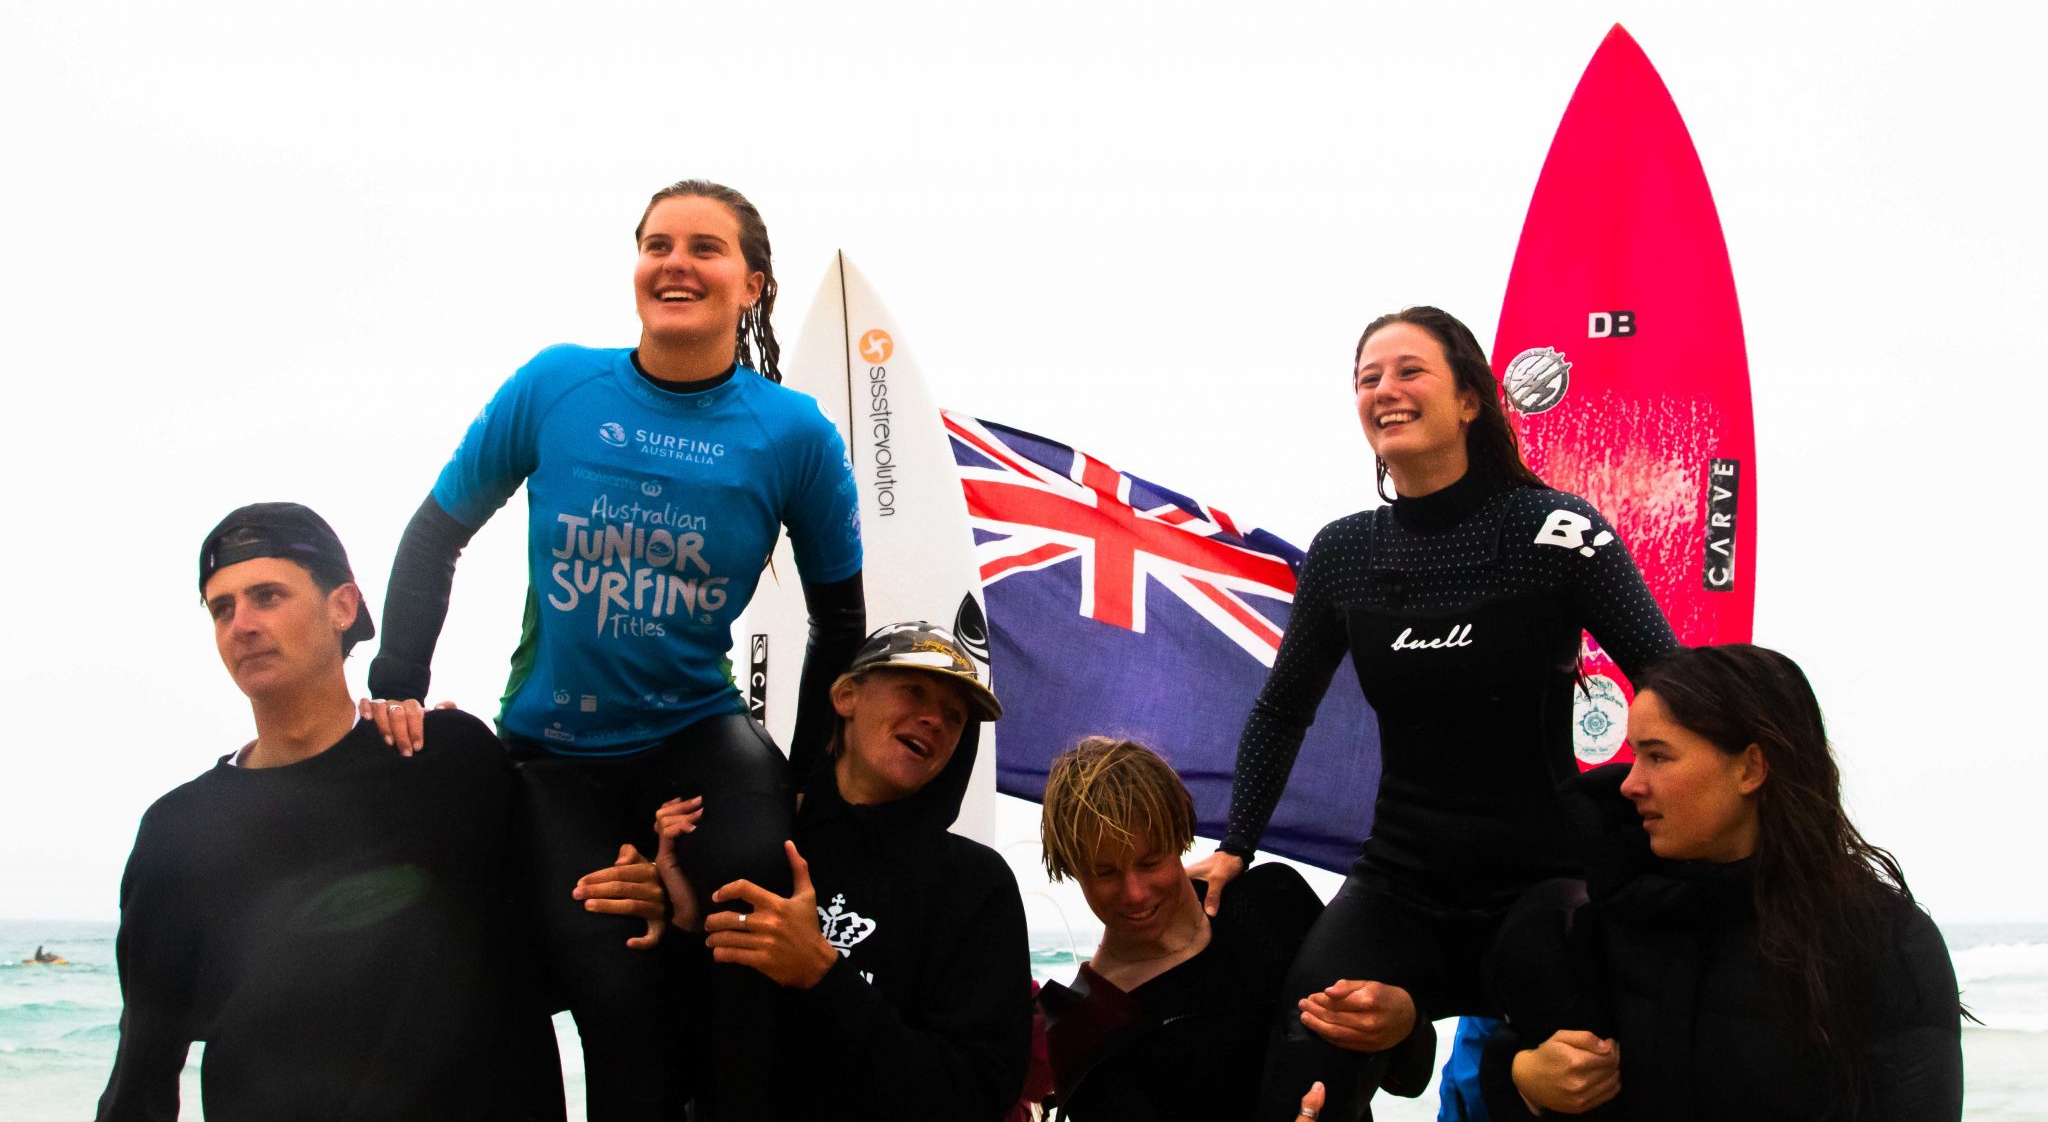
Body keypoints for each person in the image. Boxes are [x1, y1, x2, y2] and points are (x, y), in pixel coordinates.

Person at [364, 179, 866, 1116]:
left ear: (752, 283)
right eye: (657, 244)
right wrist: (397, 681)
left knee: (747, 933)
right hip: (558, 754)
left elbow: (840, 623)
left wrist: (806, 774)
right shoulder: (558, 386)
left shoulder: (791, 433)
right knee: (618, 978)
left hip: (698, 735)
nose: (676, 263)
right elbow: (437, 531)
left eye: (705, 248)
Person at [1188, 306, 1679, 1121]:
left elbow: (1672, 684)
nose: (1385, 389)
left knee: (1580, 1078)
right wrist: (1234, 844)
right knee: (1303, 1051)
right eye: (1367, 377)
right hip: (1403, 883)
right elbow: (1281, 709)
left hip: (1542, 883)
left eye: (1410, 369)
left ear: (1471, 400)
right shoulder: (1345, 552)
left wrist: (1670, 815)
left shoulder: (1555, 530)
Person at [98, 502, 665, 1121]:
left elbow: (569, 933)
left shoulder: (452, 760)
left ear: (343, 606)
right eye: (222, 608)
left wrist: (642, 886)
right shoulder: (178, 832)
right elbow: (145, 1067)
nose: (242, 624)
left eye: (267, 596)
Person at [1483, 644, 1964, 1119]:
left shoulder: (1884, 939)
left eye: (1658, 757)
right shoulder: (1591, 918)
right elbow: (1514, 1071)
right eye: (1635, 756)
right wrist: (1526, 1084)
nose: (1630, 783)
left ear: (1751, 768)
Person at [655, 619, 1033, 1121]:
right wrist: (680, 924)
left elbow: (975, 1094)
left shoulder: (975, 884)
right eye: (914, 690)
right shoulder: (754, 840)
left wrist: (823, 976)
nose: (935, 720)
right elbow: (676, 1062)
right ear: (846, 695)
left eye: (955, 715)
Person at [1034, 737, 1435, 1120]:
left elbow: (1410, 1077)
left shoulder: (1274, 902)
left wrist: (1407, 1021)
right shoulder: (1088, 1030)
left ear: (1180, 836)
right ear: (1071, 867)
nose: (1135, 893)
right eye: (1105, 873)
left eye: (1150, 861)